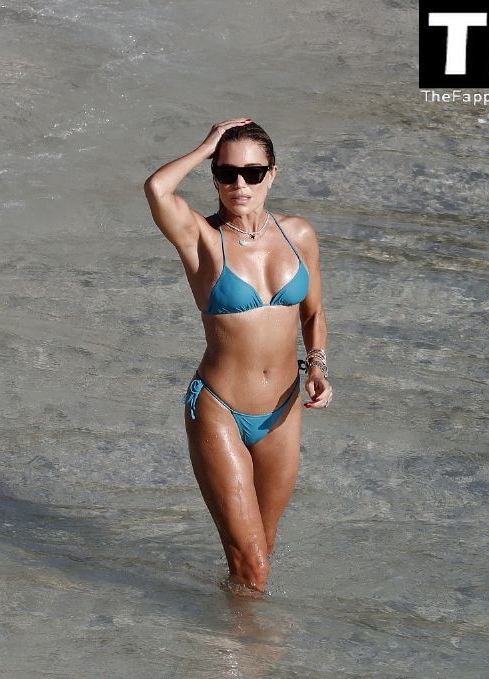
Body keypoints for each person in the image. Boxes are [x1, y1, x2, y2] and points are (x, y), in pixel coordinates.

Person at [144, 119, 332, 594]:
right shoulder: (201, 238)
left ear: (273, 173)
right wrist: (206, 146)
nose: (240, 184)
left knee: (260, 555)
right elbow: (158, 189)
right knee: (253, 565)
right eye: (226, 173)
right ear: (214, 177)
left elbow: (313, 313)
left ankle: (226, 629)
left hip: (283, 412)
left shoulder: (299, 234)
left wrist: (318, 366)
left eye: (253, 172)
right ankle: (247, 639)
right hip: (219, 408)